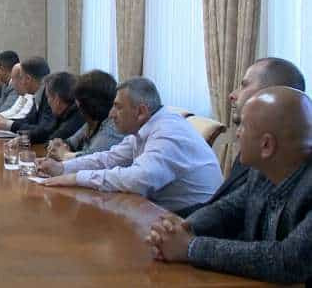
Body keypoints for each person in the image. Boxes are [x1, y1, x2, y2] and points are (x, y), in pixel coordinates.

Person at [146, 87, 312, 285]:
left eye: (242, 126)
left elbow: (289, 260)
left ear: (266, 145)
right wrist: (180, 229)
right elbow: (227, 209)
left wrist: (190, 247)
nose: (238, 134)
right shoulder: (262, 172)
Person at [38, 77, 223, 213]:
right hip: (159, 212)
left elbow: (138, 180)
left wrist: (76, 178)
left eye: (118, 107)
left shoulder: (168, 132)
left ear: (141, 111)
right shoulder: (145, 127)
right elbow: (109, 158)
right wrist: (63, 168)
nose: (111, 114)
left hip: (190, 222)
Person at [178, 57, 306, 217]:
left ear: (269, 94)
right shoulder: (254, 147)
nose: (232, 95)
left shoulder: (280, 162)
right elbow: (224, 209)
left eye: (244, 85)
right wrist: (174, 222)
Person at [48, 70, 125, 160]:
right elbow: (70, 142)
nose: (76, 103)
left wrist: (64, 154)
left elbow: (90, 159)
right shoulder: (92, 122)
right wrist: (59, 144)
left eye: (77, 99)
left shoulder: (112, 125)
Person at [0, 58, 68, 145]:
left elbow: (44, 130)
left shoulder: (50, 97)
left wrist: (9, 124)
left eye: (21, 78)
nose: (21, 82)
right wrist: (4, 121)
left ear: (28, 79)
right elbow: (28, 121)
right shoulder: (37, 93)